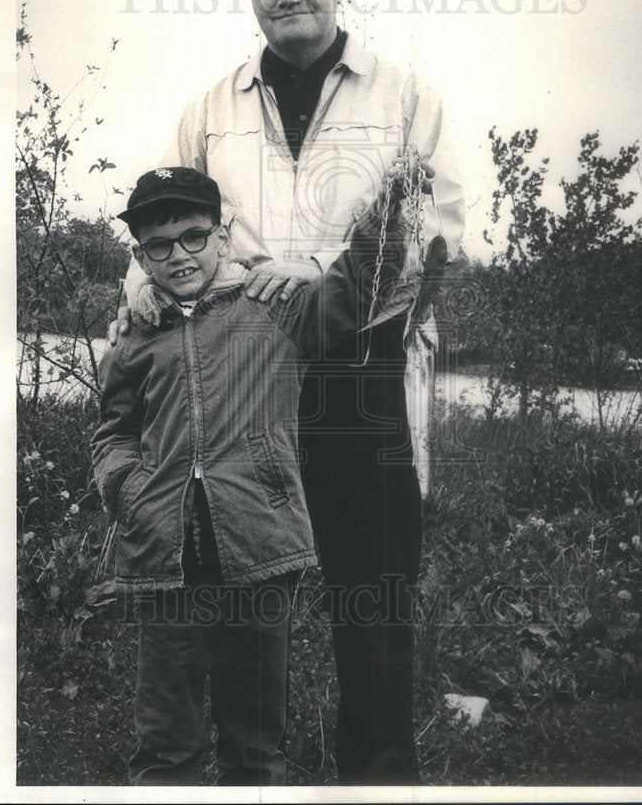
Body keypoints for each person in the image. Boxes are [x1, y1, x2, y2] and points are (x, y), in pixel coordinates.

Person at [112, 0, 465, 784]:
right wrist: (144, 298)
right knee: (235, 589)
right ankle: (241, 771)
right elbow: (162, 230)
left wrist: (323, 281)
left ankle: (378, 778)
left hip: (362, 373)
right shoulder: (211, 109)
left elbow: (441, 230)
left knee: (372, 592)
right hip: (238, 377)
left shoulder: (406, 98)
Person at [93, 163, 416, 786]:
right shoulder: (135, 334)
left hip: (261, 556)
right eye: (158, 246)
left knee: (255, 745)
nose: (179, 255)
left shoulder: (274, 308)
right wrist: (127, 489)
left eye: (193, 235)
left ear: (222, 234)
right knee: (164, 746)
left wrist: (384, 221)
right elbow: (114, 430)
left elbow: (351, 296)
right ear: (141, 254)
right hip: (165, 564)